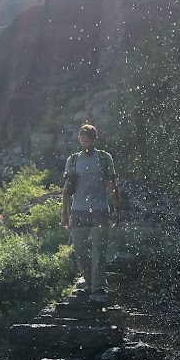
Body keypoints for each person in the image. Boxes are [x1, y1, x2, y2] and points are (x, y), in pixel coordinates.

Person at [61, 124, 119, 304]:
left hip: (101, 211)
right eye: (83, 139)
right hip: (78, 211)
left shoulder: (104, 158)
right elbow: (67, 190)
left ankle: (98, 289)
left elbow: (112, 186)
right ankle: (89, 281)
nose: (86, 143)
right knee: (80, 250)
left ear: (94, 140)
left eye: (89, 139)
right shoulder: (73, 160)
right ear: (79, 139)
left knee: (99, 251)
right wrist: (64, 214)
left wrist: (116, 210)